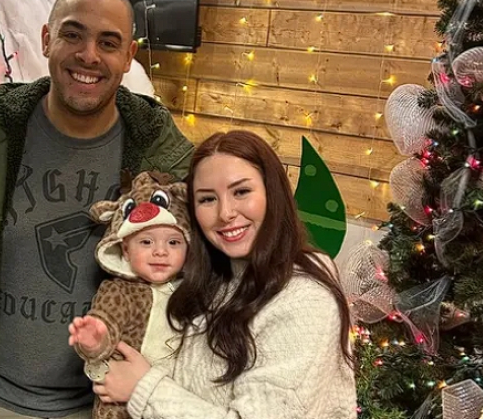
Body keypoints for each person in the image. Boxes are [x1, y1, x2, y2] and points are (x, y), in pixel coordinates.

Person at [0, 0, 194, 419]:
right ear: (47, 39)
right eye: (73, 34)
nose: (89, 55)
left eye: (108, 42)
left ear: (129, 56)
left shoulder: (163, 157)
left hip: (102, 407)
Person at [91, 130, 357, 418]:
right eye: (207, 199)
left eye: (241, 192)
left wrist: (143, 388)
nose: (225, 213)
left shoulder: (306, 300)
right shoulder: (215, 277)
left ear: (272, 193)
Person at [68, 171, 191, 419]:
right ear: (125, 249)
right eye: (146, 242)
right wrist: (95, 340)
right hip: (121, 401)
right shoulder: (120, 291)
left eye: (173, 243)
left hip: (174, 398)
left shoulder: (191, 290)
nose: (160, 252)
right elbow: (107, 320)